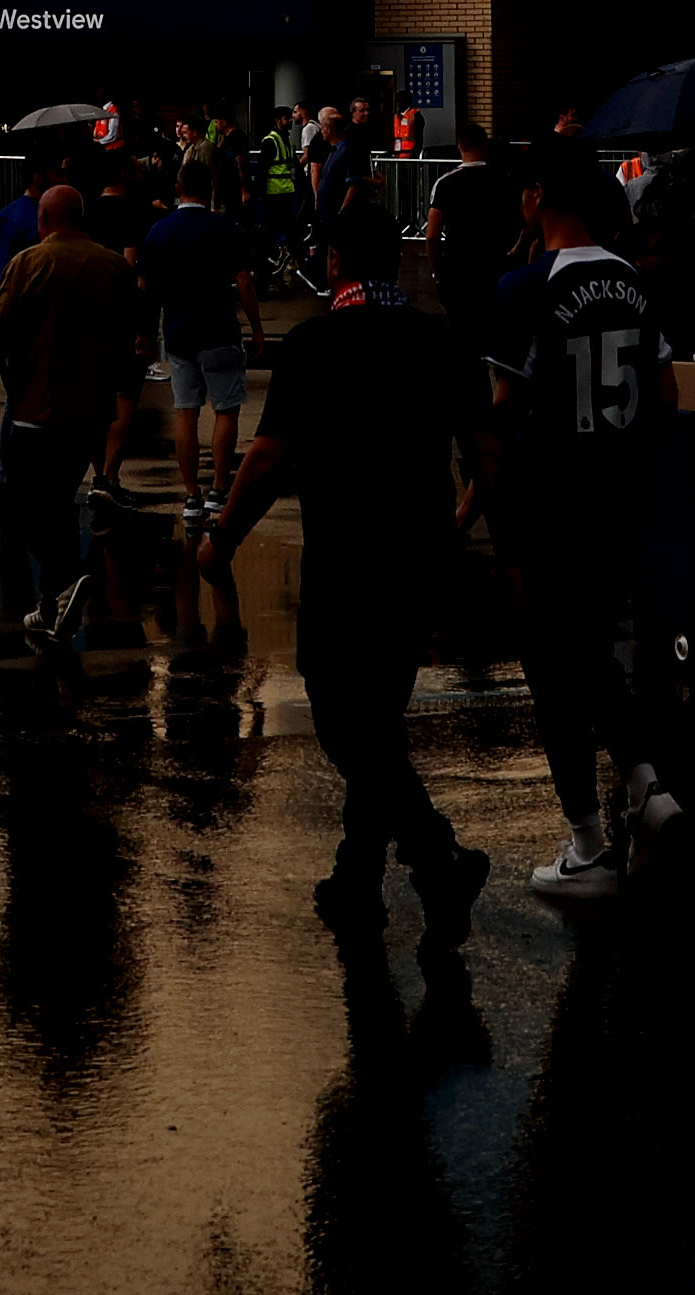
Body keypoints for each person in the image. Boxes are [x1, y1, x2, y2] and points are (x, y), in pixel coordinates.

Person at [200, 197, 494, 956]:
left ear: (332, 264)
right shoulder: (442, 342)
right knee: (378, 713)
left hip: (346, 556)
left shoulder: (314, 344)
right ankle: (357, 875)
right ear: (395, 261)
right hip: (418, 556)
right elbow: (489, 456)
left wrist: (221, 538)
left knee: (341, 710)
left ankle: (435, 854)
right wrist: (461, 527)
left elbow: (266, 460)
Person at [482, 137, 671, 889]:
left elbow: (501, 415)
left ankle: (589, 839)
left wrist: (494, 518)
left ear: (539, 198)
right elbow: (663, 395)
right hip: (620, 494)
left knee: (553, 665)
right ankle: (645, 784)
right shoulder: (637, 281)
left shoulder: (526, 287)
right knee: (591, 648)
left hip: (552, 498)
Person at [0, 183, 148, 668]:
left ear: (45, 218)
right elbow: (138, 322)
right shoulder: (114, 266)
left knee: (18, 506)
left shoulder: (29, 262)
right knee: (57, 502)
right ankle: (51, 607)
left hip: (36, 409)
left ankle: (65, 579)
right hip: (90, 414)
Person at [143, 172, 257, 509]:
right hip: (220, 328)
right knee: (225, 410)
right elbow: (245, 282)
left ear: (178, 190)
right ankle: (220, 488)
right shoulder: (225, 228)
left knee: (186, 413)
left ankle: (191, 493)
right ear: (210, 190)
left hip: (178, 331)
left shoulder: (159, 231)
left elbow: (145, 288)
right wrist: (257, 328)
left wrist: (145, 333)